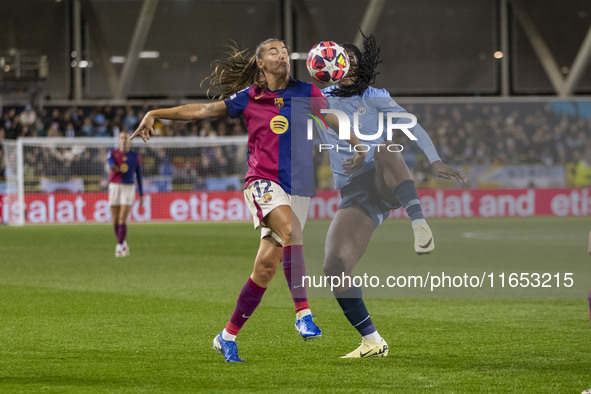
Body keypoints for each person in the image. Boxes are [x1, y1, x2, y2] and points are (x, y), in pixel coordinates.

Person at [131, 38, 365, 362]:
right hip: (262, 181)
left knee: (266, 268)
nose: (282, 55)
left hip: (297, 187)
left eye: (284, 51)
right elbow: (202, 110)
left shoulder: (305, 92)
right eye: (273, 51)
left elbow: (333, 118)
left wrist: (358, 144)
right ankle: (303, 313)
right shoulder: (250, 98)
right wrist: (155, 113)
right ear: (260, 63)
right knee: (292, 230)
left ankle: (226, 336)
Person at [318, 34, 468, 358]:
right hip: (354, 190)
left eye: (348, 59)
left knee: (387, 147)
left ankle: (419, 223)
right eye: (335, 59)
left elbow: (411, 126)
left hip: (381, 175)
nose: (340, 64)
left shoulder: (375, 96)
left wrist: (435, 159)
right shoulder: (318, 99)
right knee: (334, 267)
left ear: (358, 66)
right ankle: (373, 342)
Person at [108, 130, 144, 257]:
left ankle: (118, 246)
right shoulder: (112, 153)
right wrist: (115, 168)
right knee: (115, 220)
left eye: (126, 138)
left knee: (123, 218)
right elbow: (111, 164)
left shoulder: (135, 156)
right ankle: (123, 244)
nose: (124, 140)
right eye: (122, 138)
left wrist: (141, 194)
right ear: (119, 140)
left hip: (128, 187)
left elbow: (139, 176)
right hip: (114, 186)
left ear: (130, 140)